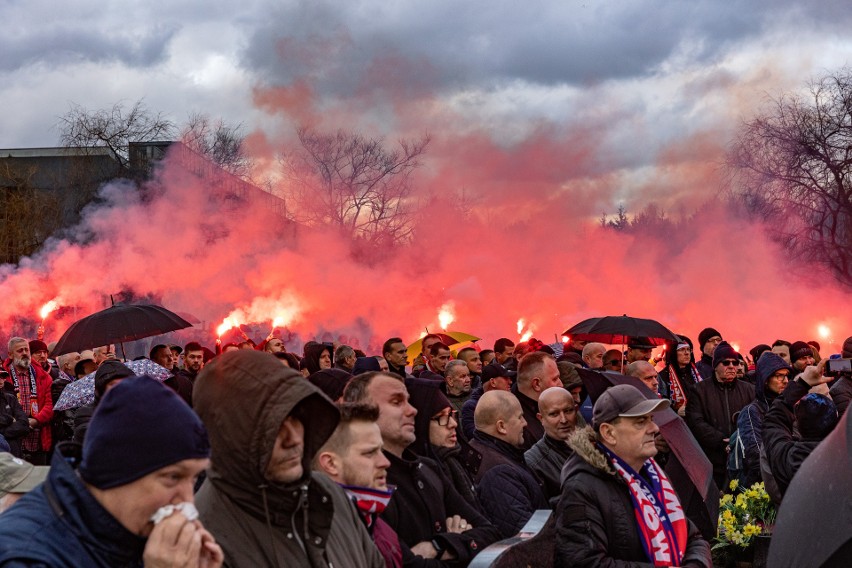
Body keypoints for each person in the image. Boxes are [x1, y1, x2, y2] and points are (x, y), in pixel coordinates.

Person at [0, 376, 223, 567]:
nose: (187, 501)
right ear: (119, 469)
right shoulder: (24, 556)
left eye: (193, 477)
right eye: (173, 477)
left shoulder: (132, 525)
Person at [193, 350, 382, 567]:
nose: (293, 439)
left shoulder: (328, 493)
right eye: (274, 426)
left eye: (296, 418)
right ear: (232, 434)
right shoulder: (203, 539)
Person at [342, 371, 500, 567]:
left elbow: (491, 533)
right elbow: (405, 563)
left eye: (408, 401)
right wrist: (460, 546)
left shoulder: (427, 468)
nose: (412, 411)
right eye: (396, 402)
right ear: (362, 413)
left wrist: (440, 545)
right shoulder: (366, 482)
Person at [555, 384, 711, 567]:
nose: (654, 428)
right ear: (609, 433)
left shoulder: (654, 474)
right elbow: (586, 562)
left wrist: (695, 564)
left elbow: (692, 536)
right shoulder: (581, 487)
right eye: (640, 422)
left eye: (651, 419)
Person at [314, 403, 402, 568]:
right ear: (331, 463)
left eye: (381, 451)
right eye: (369, 453)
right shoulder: (316, 538)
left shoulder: (376, 523)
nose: (385, 462)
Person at [468, 390, 548, 538]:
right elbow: (527, 536)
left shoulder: (488, 453)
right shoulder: (499, 474)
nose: (525, 423)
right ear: (501, 426)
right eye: (520, 417)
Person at [763, 360, 839, 498]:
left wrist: (802, 384)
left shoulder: (787, 458)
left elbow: (773, 421)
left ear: (797, 422)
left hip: (797, 517)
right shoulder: (844, 458)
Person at [686, 341, 754, 490]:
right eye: (726, 362)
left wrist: (739, 440)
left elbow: (755, 419)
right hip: (712, 461)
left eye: (735, 362)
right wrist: (721, 440)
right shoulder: (699, 390)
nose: (731, 366)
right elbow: (695, 422)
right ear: (715, 365)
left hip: (742, 461)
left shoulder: (749, 390)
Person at [736, 351, 790, 488]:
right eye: (779, 376)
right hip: (763, 486)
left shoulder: (790, 406)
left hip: (790, 480)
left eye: (786, 376)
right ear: (765, 380)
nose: (785, 381)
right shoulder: (751, 412)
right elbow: (755, 457)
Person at [3, 338, 53, 465]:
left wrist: (36, 420)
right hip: (11, 439)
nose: (25, 353)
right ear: (10, 354)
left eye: (27, 350)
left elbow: (49, 405)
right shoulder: (3, 376)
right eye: (20, 350)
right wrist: (18, 423)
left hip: (37, 438)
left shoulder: (44, 376)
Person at [524, 387, 579, 502]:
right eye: (554, 414)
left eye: (568, 411)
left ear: (576, 410)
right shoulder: (534, 463)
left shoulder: (594, 447)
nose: (563, 420)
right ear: (541, 419)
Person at [513, 351, 563, 450]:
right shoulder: (521, 428)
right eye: (555, 379)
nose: (561, 384)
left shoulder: (546, 406)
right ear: (536, 384)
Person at [461, 362, 513, 441]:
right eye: (506, 378)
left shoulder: (511, 402)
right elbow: (473, 436)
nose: (510, 382)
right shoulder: (472, 407)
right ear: (493, 382)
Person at [657, 335, 703, 414]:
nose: (687, 353)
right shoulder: (663, 376)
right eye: (681, 350)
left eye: (688, 349)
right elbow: (661, 404)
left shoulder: (697, 373)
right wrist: (676, 411)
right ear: (673, 353)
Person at [0, 371, 30, 457]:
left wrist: (2, 431)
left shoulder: (11, 398)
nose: (1, 381)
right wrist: (10, 419)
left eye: (2, 377)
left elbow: (24, 425)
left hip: (14, 455)